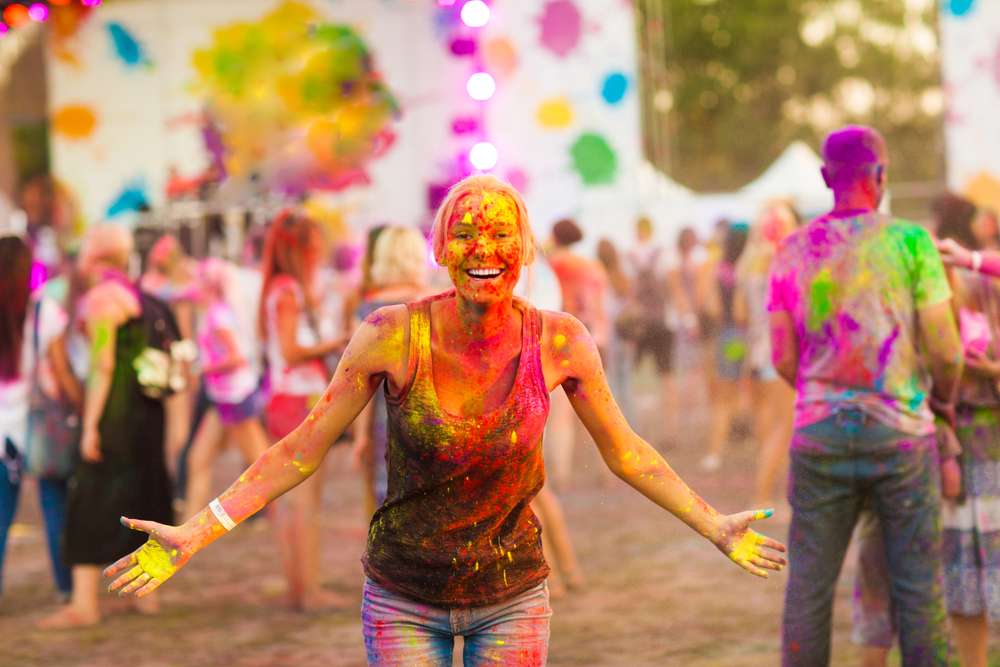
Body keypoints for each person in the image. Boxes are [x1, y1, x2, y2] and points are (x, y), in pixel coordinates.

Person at [106, 174, 786, 666]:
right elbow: (298, 451)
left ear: (524, 247)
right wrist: (199, 529)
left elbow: (628, 453)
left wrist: (712, 523)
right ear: (440, 247)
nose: (482, 247)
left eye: (498, 233)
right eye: (464, 232)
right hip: (404, 593)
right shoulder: (390, 333)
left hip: (513, 590)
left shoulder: (559, 341)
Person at [769, 125, 962, 665]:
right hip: (901, 437)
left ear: (827, 178)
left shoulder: (791, 249)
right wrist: (940, 402)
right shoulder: (910, 244)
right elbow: (947, 352)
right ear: (880, 176)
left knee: (807, 589)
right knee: (920, 592)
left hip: (819, 436)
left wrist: (820, 394)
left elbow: (782, 357)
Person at [856, 195, 998, 667]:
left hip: (973, 450)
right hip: (944, 453)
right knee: (953, 575)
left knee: (959, 572)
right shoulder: (915, 301)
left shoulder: (983, 285)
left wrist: (984, 371)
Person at [40, 225, 182, 628]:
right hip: (148, 416)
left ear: (98, 257)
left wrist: (90, 426)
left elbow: (102, 366)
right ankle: (146, 598)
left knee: (90, 498)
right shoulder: (147, 298)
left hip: (116, 414)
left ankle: (83, 605)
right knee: (146, 498)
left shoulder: (104, 298)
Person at [259, 210, 346, 611]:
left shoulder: (279, 288)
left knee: (295, 502)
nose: (320, 251)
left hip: (287, 398)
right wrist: (337, 343)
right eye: (314, 244)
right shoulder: (288, 291)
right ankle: (308, 591)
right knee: (305, 502)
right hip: (300, 400)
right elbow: (292, 350)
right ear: (301, 249)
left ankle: (301, 585)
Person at [0, 235, 73, 604]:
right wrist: (80, 404)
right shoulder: (45, 313)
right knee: (54, 506)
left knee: (0, 518)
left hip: (3, 434)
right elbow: (61, 374)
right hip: (37, 429)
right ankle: (65, 587)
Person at [350, 225, 433, 518]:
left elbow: (358, 381)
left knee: (385, 502)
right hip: (431, 415)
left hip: (383, 419)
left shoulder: (366, 310)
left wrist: (360, 435)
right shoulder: (435, 304)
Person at [183, 259, 272, 521]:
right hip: (223, 398)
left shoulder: (218, 316)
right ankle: (188, 525)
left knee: (263, 467)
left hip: (235, 398)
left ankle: (287, 518)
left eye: (198, 280)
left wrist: (202, 368)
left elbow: (237, 357)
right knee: (198, 459)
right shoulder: (215, 312)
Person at [737, 202, 799, 504]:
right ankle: (762, 497)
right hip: (780, 350)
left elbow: (741, 313)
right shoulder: (784, 260)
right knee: (783, 428)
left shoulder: (750, 264)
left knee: (770, 425)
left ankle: (772, 492)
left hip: (760, 350)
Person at [699, 222, 749, 472]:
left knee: (723, 397)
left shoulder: (719, 270)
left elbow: (712, 308)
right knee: (759, 398)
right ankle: (762, 452)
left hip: (729, 338)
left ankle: (714, 453)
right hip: (754, 337)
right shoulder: (752, 269)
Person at [623, 216, 676, 445]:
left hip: (638, 325)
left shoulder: (628, 256)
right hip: (663, 323)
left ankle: (637, 430)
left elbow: (627, 293)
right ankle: (669, 430)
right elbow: (672, 289)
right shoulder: (663, 254)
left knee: (635, 378)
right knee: (667, 378)